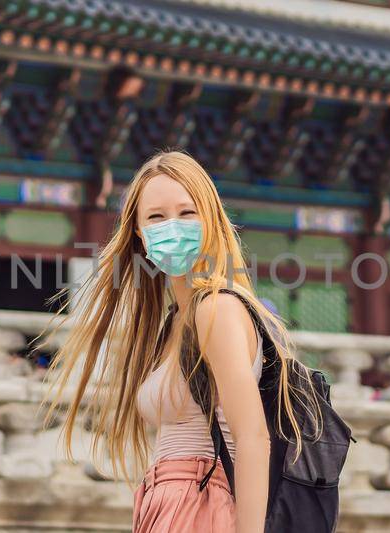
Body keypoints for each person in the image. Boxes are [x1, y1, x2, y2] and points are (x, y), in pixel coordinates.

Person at [40, 150, 320, 533]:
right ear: (139, 233)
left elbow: (253, 436)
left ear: (211, 220)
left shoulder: (215, 309)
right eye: (156, 217)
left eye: (187, 213)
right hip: (167, 504)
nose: (172, 226)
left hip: (204, 501)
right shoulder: (173, 322)